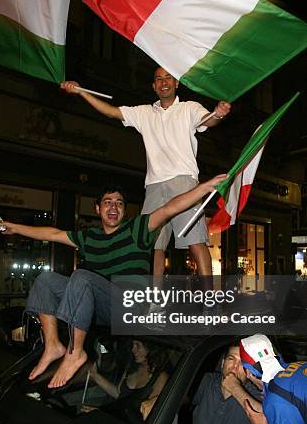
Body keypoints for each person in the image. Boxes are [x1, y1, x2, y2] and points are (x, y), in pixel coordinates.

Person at [0, 173, 227, 389]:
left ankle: (75, 353)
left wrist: (204, 188)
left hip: (130, 306)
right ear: (97, 208)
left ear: (124, 211)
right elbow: (52, 234)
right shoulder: (90, 238)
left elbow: (169, 208)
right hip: (102, 307)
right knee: (46, 279)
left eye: (119, 203)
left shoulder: (136, 229)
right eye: (107, 202)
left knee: (82, 277)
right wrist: (14, 227)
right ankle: (53, 345)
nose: (113, 207)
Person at [60, 68, 231, 276]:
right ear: (153, 86)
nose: (163, 82)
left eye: (168, 78)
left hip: (183, 181)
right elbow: (111, 111)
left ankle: (209, 303)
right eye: (158, 79)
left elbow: (207, 120)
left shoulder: (189, 108)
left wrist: (218, 115)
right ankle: (154, 303)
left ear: (176, 83)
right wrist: (81, 92)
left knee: (195, 241)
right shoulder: (144, 112)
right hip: (153, 185)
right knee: (152, 246)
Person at [190, 344, 261, 424]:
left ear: (249, 371)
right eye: (231, 358)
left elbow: (267, 418)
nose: (234, 366)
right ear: (223, 363)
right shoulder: (208, 381)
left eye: (242, 362)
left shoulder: (254, 394)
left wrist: (235, 388)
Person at [84, 338, 169, 421]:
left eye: (138, 345)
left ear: (151, 348)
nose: (133, 349)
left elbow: (149, 416)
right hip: (114, 420)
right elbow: (119, 394)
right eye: (132, 345)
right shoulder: (131, 367)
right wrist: (94, 375)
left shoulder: (160, 377)